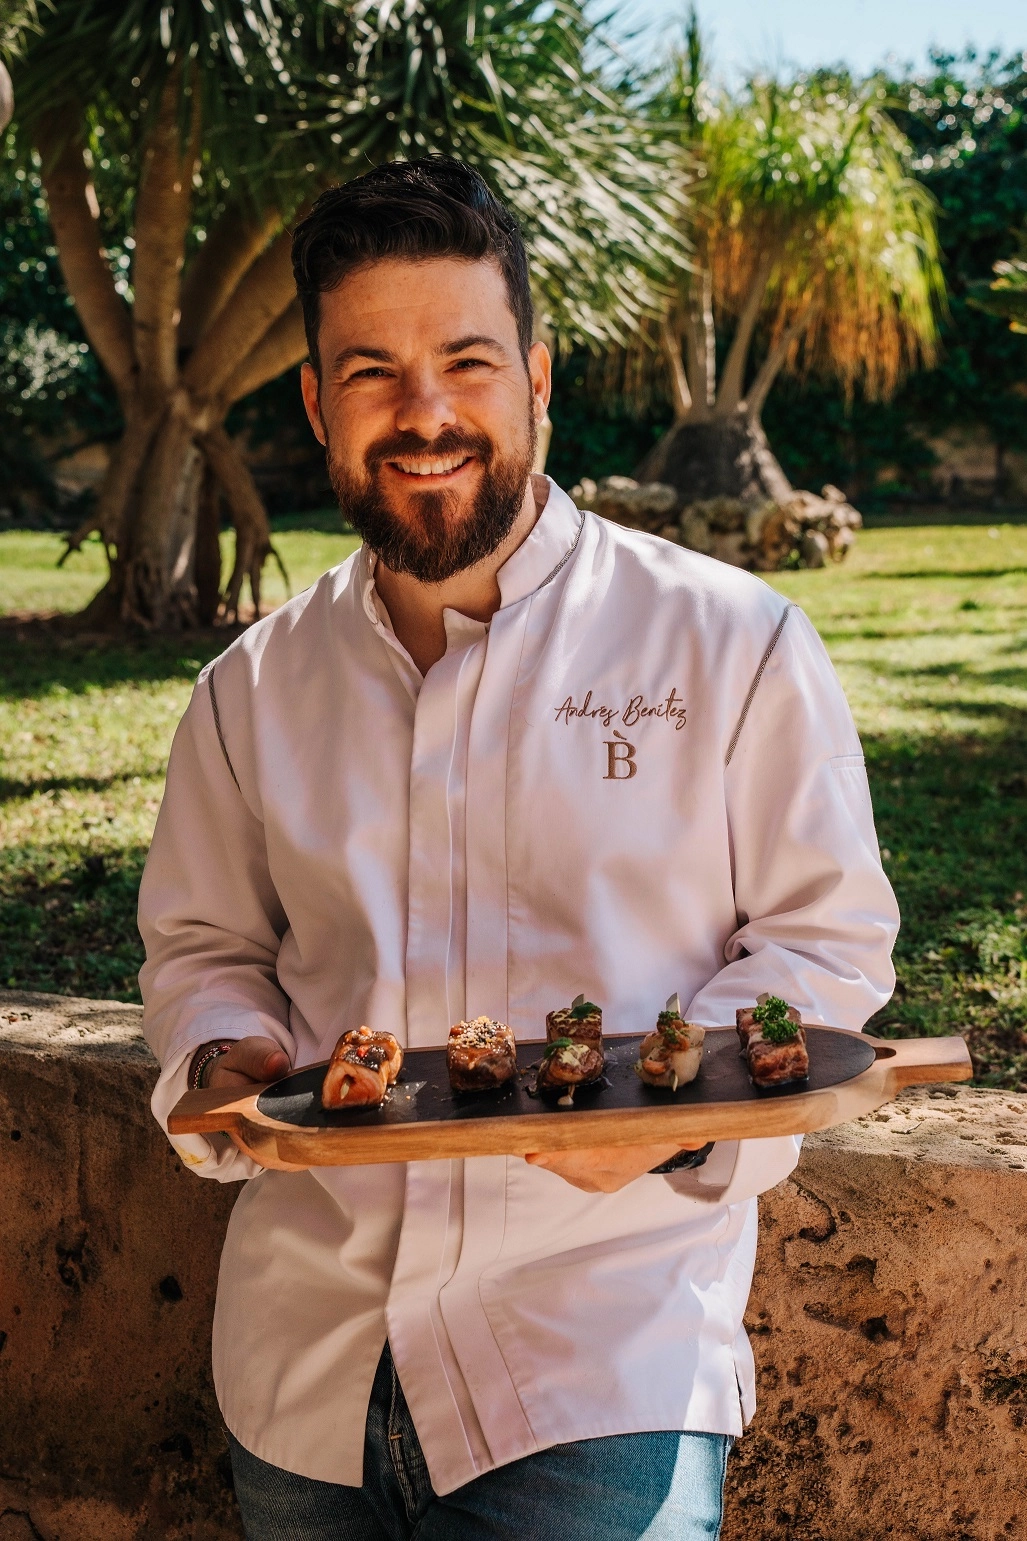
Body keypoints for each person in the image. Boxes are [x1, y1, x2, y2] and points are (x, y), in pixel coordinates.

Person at [139, 157, 898, 1541]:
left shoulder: (730, 646)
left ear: (538, 377)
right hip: (304, 1367)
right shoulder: (247, 692)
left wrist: (665, 1132)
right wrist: (224, 1050)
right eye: (369, 370)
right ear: (315, 403)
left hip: (598, 1356)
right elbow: (205, 949)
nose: (423, 414)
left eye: (467, 362)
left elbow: (824, 942)